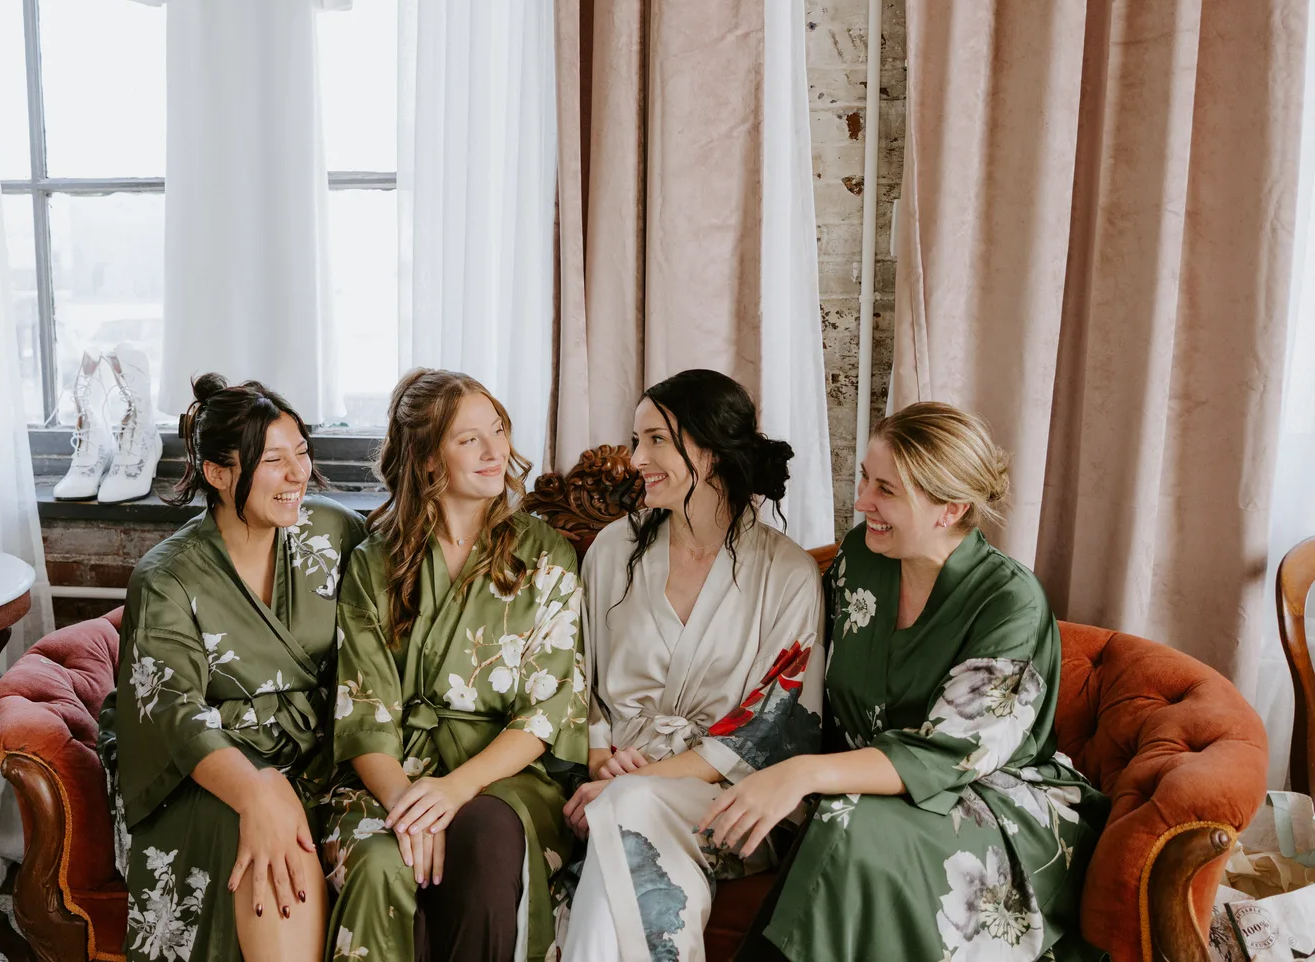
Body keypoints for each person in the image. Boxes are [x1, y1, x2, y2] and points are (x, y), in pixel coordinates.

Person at [705, 402, 1108, 962]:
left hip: (990, 801)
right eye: (866, 478)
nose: (861, 500)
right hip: (851, 786)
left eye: (886, 489)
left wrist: (802, 774)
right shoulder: (861, 558)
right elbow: (794, 669)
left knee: (849, 824)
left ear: (950, 508)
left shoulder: (1009, 603)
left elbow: (946, 755)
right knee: (841, 816)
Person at [558, 368, 827, 962]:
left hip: (733, 799)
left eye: (656, 439)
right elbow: (574, 672)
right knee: (622, 815)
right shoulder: (613, 550)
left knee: (626, 812)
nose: (635, 459)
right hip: (611, 776)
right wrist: (602, 761)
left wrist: (637, 782)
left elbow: (772, 723)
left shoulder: (786, 575)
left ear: (708, 450)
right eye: (636, 440)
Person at [322, 369, 588, 962]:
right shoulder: (375, 562)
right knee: (383, 860)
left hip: (505, 776)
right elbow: (363, 711)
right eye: (469, 440)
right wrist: (409, 807)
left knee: (485, 840)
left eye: (497, 430)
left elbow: (549, 709)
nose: (496, 452)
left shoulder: (545, 552)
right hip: (391, 774)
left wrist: (453, 790)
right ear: (425, 458)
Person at [99, 375, 366, 962]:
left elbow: (381, 643)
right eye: (274, 460)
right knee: (279, 859)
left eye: (301, 452)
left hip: (323, 755)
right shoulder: (168, 577)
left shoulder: (336, 533)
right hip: (204, 769)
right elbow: (172, 712)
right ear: (219, 475)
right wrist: (257, 791)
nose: (299, 474)